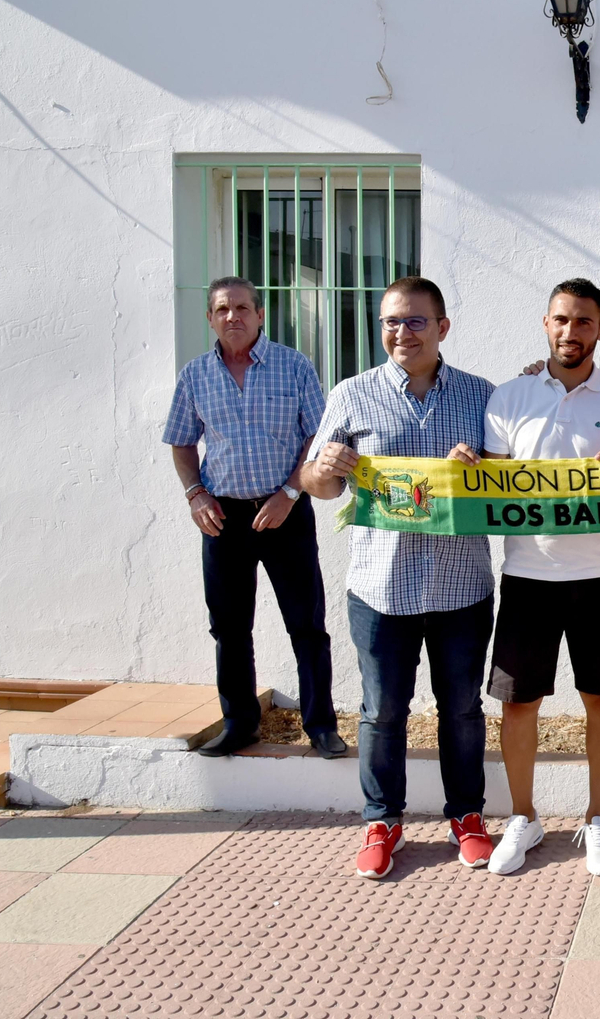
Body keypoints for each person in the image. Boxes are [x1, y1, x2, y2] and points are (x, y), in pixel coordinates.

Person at [302, 276, 499, 881]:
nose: (400, 332)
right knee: (382, 710)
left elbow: (509, 475)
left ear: (442, 328)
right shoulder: (353, 395)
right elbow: (315, 482)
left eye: (415, 321)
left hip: (461, 584)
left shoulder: (480, 396)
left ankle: (467, 816)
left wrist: (483, 467)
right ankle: (382, 820)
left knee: (462, 710)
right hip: (380, 585)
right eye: (390, 321)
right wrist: (325, 468)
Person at [460, 278, 600, 878]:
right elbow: (490, 485)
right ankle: (524, 817)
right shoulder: (508, 397)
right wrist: (470, 470)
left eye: (584, 322)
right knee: (520, 705)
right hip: (527, 576)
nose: (572, 332)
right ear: (546, 323)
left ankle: (598, 820)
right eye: (561, 320)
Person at [163, 276, 342, 759]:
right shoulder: (195, 376)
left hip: (285, 511)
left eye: (242, 308)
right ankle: (240, 723)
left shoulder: (293, 367)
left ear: (260, 315)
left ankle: (321, 726)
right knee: (228, 626)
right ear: (210, 318)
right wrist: (194, 494)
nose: (232, 317)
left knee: (306, 625)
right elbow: (181, 441)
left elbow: (318, 435)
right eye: (222, 309)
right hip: (222, 518)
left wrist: (289, 492)